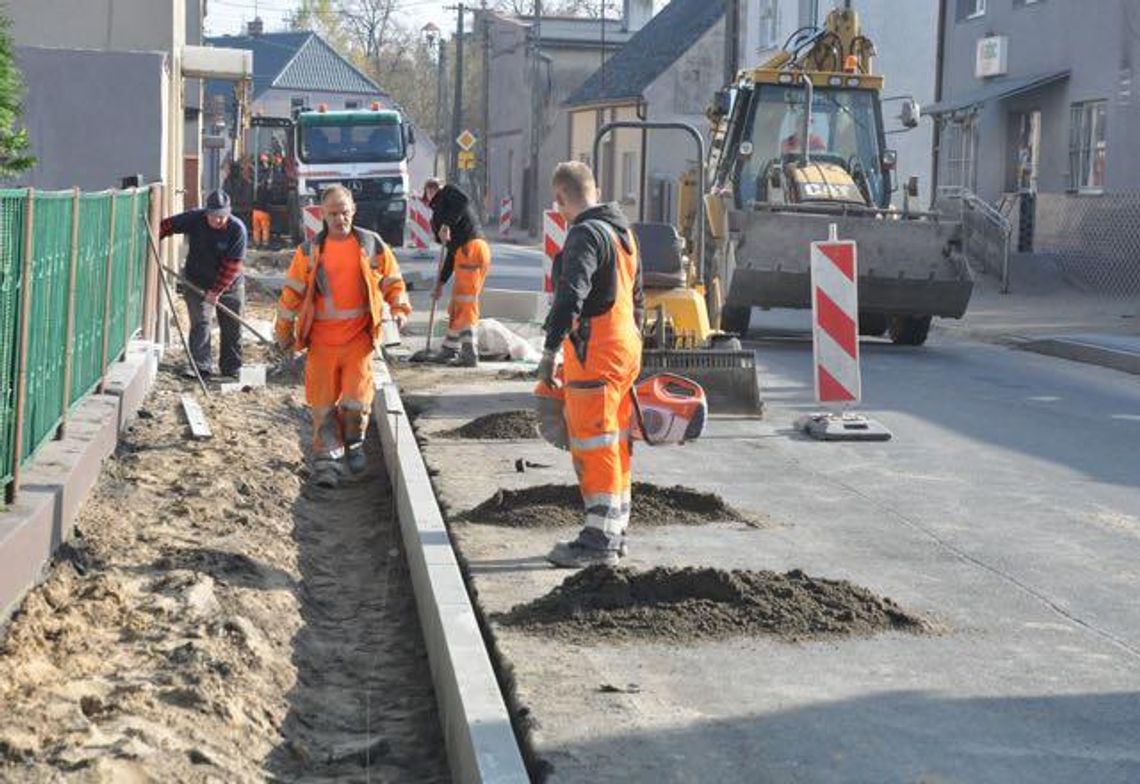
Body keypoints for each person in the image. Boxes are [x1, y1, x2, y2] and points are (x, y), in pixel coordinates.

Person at [537, 161, 644, 568]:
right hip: (624, 350)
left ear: (561, 198)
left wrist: (549, 351)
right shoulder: (622, 233)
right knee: (616, 442)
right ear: (594, 189)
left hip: (595, 356)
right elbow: (637, 298)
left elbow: (570, 297)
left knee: (594, 443)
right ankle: (616, 531)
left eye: (558, 205)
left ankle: (598, 540)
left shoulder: (584, 234)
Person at [273, 185, 411, 488]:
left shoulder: (370, 245)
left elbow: (393, 281)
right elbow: (291, 294)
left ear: (354, 211)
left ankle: (354, 443)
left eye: (344, 212)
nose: (340, 219)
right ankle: (327, 463)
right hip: (321, 343)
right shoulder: (309, 252)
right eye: (333, 214)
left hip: (358, 342)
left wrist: (399, 310)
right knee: (322, 406)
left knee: (356, 401)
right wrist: (283, 332)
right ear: (322, 215)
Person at [159, 189, 247, 380]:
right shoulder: (194, 219)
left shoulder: (237, 229)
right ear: (206, 213)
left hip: (230, 284)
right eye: (214, 216)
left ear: (229, 213)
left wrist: (215, 292)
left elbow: (232, 266)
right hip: (196, 282)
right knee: (200, 322)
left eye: (223, 216)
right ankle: (201, 366)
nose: (218, 220)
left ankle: (232, 367)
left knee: (232, 325)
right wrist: (153, 236)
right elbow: (167, 225)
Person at [423, 178, 491, 367]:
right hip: (471, 251)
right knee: (458, 303)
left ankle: (469, 351)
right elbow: (451, 254)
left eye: (431, 190)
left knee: (466, 303)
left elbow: (463, 201)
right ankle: (450, 348)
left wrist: (446, 225)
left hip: (470, 250)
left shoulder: (449, 193)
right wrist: (441, 282)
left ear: (431, 190)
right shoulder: (438, 213)